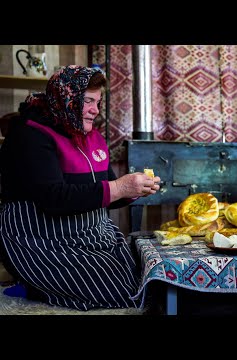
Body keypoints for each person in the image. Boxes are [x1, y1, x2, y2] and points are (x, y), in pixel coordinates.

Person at [0, 65, 160, 311]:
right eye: (88, 101)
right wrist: (120, 187)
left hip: (92, 233)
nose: (95, 110)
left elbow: (107, 192)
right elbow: (53, 198)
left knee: (145, 275)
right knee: (124, 292)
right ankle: (35, 284)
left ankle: (43, 285)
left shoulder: (92, 136)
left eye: (98, 102)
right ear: (66, 97)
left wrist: (133, 191)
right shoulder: (30, 134)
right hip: (43, 237)